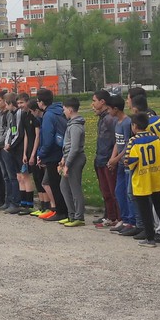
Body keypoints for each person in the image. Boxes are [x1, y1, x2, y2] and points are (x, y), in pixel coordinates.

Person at [126, 112, 160, 248]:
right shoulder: (155, 139)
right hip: (155, 179)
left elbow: (129, 161)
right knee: (159, 206)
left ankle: (150, 238)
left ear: (134, 126)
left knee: (145, 210)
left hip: (141, 181)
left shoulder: (133, 141)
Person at [35, 88, 67, 222]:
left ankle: (60, 211)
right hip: (60, 151)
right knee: (59, 184)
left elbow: (48, 138)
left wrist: (41, 154)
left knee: (54, 184)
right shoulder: (59, 111)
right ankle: (63, 210)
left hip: (52, 154)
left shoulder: (48, 115)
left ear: (41, 102)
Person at [108, 95, 139, 235]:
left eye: (109, 109)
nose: (108, 111)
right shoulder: (117, 122)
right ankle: (125, 219)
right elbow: (117, 141)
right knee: (119, 191)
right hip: (119, 164)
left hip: (126, 163)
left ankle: (132, 222)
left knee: (128, 193)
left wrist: (118, 158)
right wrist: (112, 158)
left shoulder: (127, 122)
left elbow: (128, 144)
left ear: (115, 109)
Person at [57, 97, 87, 227]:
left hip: (75, 159)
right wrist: (63, 159)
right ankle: (71, 215)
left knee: (75, 189)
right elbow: (68, 146)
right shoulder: (71, 124)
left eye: (64, 109)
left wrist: (68, 164)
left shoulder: (75, 126)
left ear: (70, 109)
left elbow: (74, 148)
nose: (64, 112)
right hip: (68, 157)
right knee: (64, 186)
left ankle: (79, 216)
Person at [91, 90, 118, 226]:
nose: (92, 104)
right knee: (105, 190)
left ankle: (115, 217)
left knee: (112, 190)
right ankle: (109, 215)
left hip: (108, 159)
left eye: (94, 101)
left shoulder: (109, 119)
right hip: (101, 158)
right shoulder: (102, 118)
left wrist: (112, 158)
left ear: (102, 102)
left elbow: (116, 141)